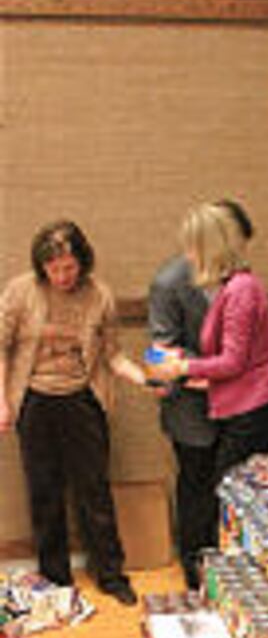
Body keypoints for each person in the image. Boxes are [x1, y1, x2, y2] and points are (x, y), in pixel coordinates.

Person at [0, 220, 147, 605]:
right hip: (35, 400)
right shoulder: (21, 292)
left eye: (69, 267)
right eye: (53, 268)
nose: (62, 276)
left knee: (93, 490)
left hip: (83, 399)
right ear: (41, 266)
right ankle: (55, 579)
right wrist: (2, 400)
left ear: (82, 262)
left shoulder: (100, 295)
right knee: (44, 492)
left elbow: (113, 354)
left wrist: (144, 379)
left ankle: (111, 575)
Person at [148, 199, 255, 590]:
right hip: (191, 408)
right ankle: (194, 567)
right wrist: (203, 370)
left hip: (236, 404)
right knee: (195, 485)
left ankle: (228, 565)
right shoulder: (169, 282)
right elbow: (160, 349)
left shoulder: (238, 278)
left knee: (230, 483)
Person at [157, 203, 268, 490]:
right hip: (239, 407)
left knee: (229, 497)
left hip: (254, 411)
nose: (188, 257)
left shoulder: (241, 290)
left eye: (192, 248)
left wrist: (183, 366)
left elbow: (232, 361)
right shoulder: (231, 286)